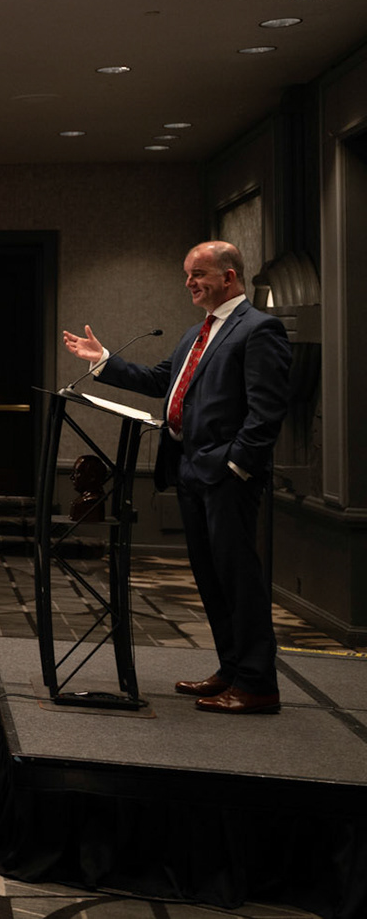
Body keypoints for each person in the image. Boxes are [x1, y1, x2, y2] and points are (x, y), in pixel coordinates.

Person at [63, 239, 290, 715]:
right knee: (210, 578)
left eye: (198, 274)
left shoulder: (259, 329)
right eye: (187, 274)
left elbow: (266, 413)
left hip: (226, 476)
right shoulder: (196, 334)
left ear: (228, 277)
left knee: (239, 579)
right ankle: (230, 669)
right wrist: (102, 360)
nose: (189, 283)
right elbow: (160, 381)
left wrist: (235, 466)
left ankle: (257, 684)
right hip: (188, 471)